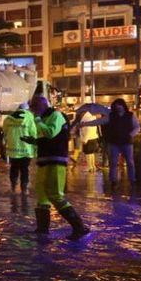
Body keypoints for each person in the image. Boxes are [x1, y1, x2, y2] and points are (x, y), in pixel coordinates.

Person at [23, 95, 90, 239]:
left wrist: (38, 120)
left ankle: (79, 227)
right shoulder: (45, 118)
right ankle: (42, 229)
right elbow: (47, 138)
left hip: (56, 160)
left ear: (43, 105)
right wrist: (34, 141)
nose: (33, 110)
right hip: (44, 160)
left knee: (55, 194)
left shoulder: (56, 116)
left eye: (35, 106)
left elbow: (50, 133)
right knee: (42, 195)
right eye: (32, 107)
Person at [78, 98, 140, 188]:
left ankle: (132, 180)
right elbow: (99, 121)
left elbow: (137, 127)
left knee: (129, 162)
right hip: (115, 142)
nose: (118, 107)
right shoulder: (112, 116)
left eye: (119, 105)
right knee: (114, 162)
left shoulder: (130, 115)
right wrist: (86, 124)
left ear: (123, 106)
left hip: (126, 142)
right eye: (116, 106)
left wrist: (131, 135)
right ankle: (114, 181)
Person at [1, 103, 37, 193]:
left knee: (14, 167)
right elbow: (33, 133)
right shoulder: (29, 118)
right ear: (27, 110)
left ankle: (13, 186)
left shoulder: (8, 119)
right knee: (24, 169)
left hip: (13, 149)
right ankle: (24, 188)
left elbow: (5, 132)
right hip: (26, 149)